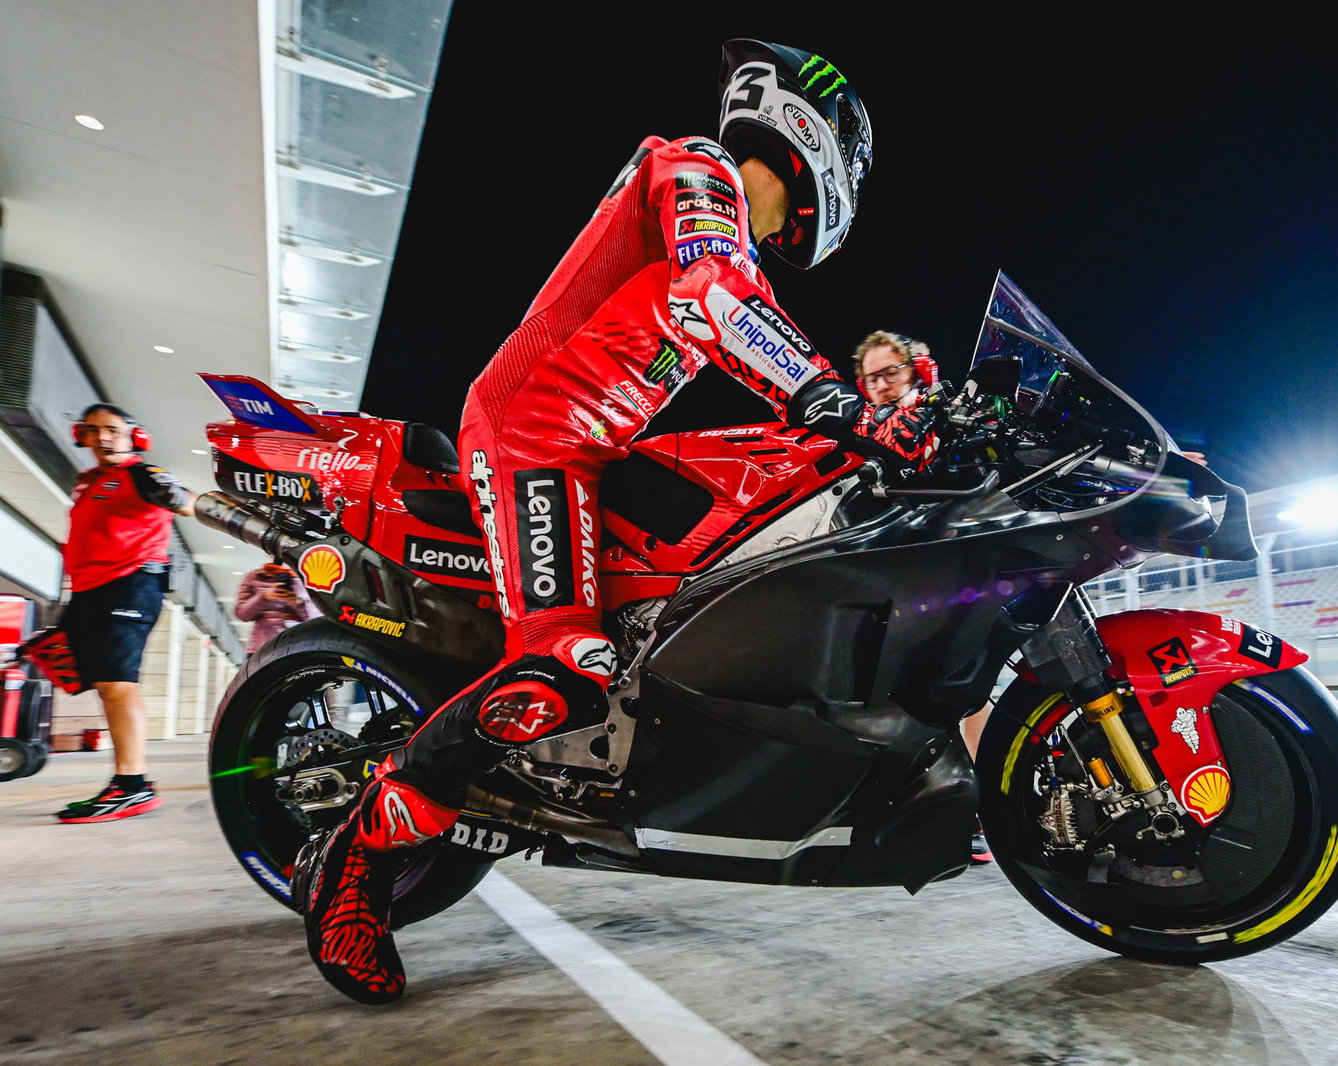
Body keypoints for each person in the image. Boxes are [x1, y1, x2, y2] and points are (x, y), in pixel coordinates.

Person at [296, 39, 939, 1004]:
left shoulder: (734, 255)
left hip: (593, 456)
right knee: (564, 668)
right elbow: (712, 300)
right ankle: (357, 861)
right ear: (815, 133)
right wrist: (836, 399)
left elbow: (748, 340)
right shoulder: (694, 167)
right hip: (531, 440)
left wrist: (867, 432)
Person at [853, 329, 994, 863]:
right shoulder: (869, 421)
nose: (881, 385)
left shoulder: (941, 409)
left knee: (966, 690)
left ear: (916, 369)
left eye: (890, 372)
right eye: (871, 377)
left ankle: (974, 806)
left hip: (940, 563)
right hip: (891, 568)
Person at [54, 403, 194, 823]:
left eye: (112, 429)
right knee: (107, 686)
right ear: (83, 436)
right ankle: (129, 783)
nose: (103, 438)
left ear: (134, 436)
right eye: (94, 430)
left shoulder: (140, 474)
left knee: (118, 685)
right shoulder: (91, 482)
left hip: (130, 584)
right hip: (90, 591)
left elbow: (184, 502)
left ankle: (131, 787)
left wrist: (178, 495)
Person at [234, 560, 318, 655]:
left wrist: (295, 602)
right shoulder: (256, 577)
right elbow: (242, 615)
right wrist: (263, 597)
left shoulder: (301, 579)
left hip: (295, 646)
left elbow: (310, 618)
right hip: (262, 647)